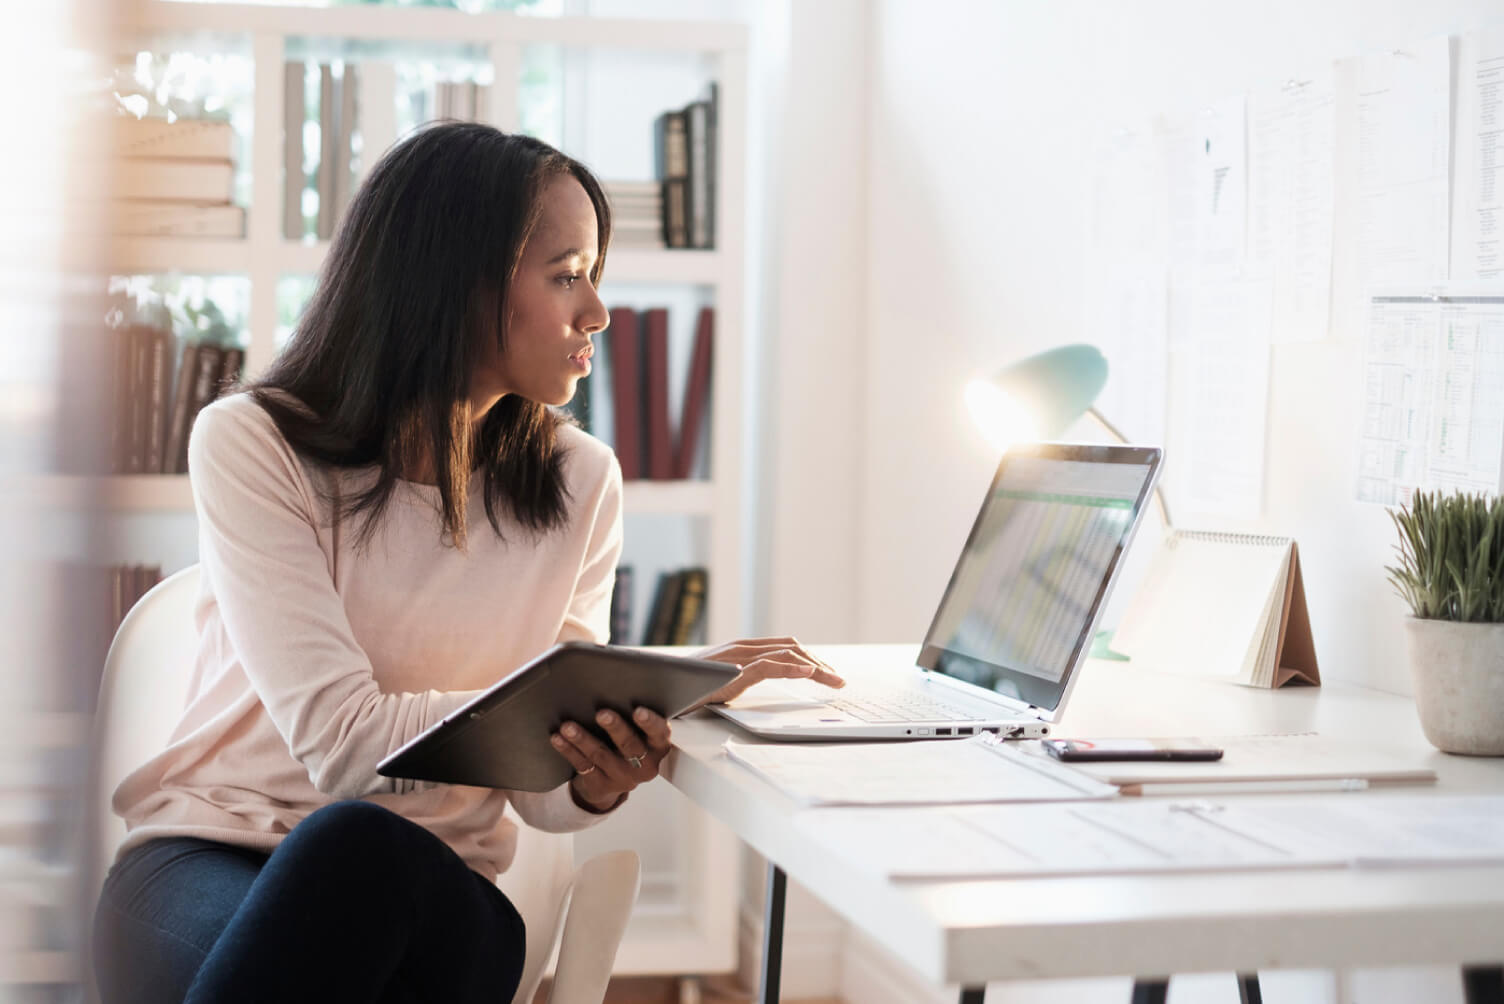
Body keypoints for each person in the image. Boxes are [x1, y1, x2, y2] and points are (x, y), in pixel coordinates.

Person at [92, 121, 843, 1004]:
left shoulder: (580, 480)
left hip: (438, 891)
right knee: (348, 853)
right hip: (208, 860)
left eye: (594, 277)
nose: (597, 313)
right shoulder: (255, 442)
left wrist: (595, 773)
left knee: (364, 857)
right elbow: (340, 747)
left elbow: (542, 800)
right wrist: (586, 695)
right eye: (568, 276)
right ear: (453, 282)